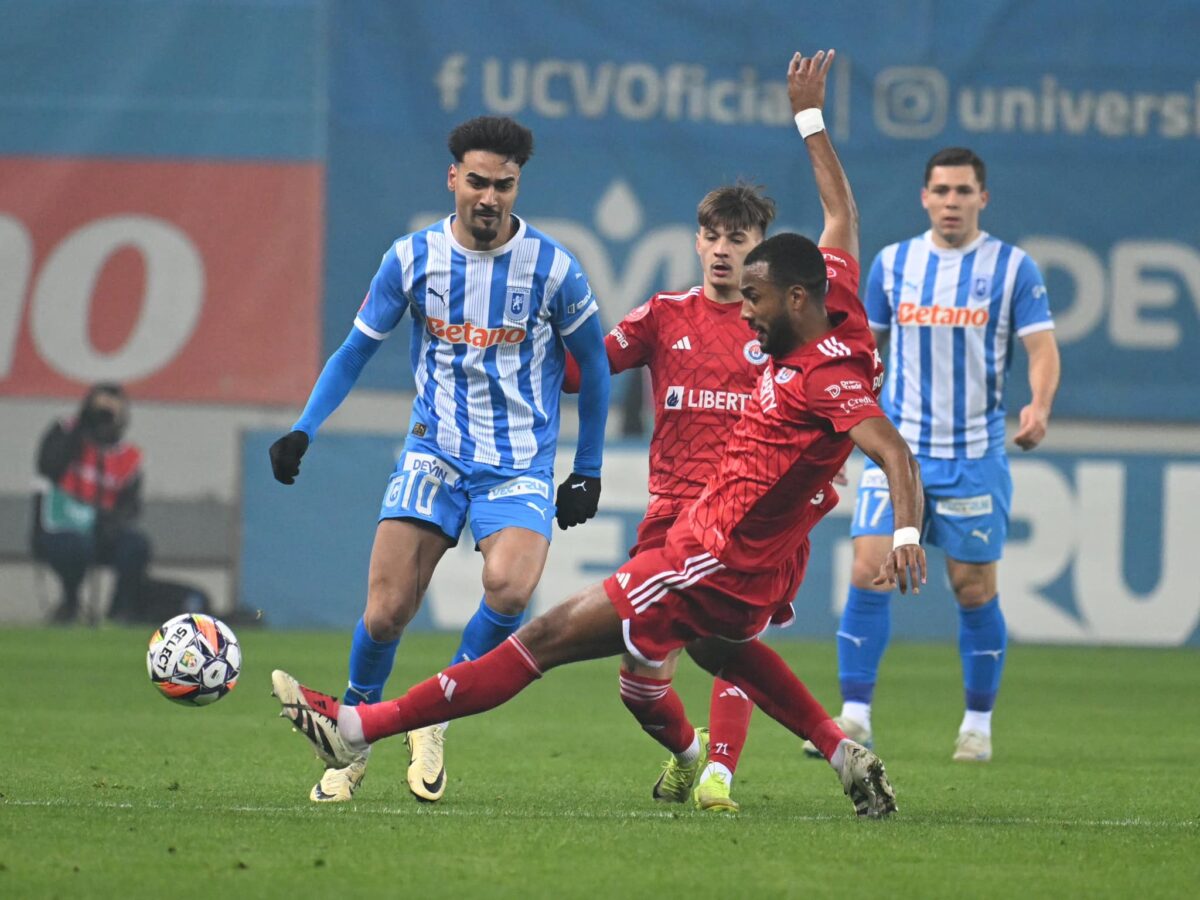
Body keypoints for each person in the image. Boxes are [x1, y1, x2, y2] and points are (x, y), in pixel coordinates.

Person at [271, 50, 925, 821]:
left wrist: (907, 529)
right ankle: (836, 752)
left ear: (793, 296)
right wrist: (811, 117)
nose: (743, 312)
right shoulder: (833, 295)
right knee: (713, 652)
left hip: (708, 550)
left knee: (541, 637)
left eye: (754, 298)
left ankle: (357, 728)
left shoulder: (823, 377)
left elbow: (889, 446)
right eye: (731, 275)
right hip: (742, 558)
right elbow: (842, 217)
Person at [268, 115, 611, 804]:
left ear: (519, 187)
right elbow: (355, 349)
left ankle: (434, 717)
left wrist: (589, 468)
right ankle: (353, 736)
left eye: (504, 185)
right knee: (387, 611)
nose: (489, 197)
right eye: (477, 181)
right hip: (435, 455)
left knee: (511, 589)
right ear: (452, 177)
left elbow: (596, 368)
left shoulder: (554, 268)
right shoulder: (410, 258)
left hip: (518, 463)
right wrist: (303, 427)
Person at [557, 50, 858, 814]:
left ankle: (722, 770)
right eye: (712, 235)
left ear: (758, 247)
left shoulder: (782, 327)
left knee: (733, 637)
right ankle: (690, 752)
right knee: (638, 675)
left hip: (748, 520)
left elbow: (840, 235)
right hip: (670, 518)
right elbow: (582, 370)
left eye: (739, 236)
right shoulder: (664, 316)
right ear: (697, 242)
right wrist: (526, 337)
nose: (723, 248)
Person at [805, 146, 1060, 764]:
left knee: (972, 590)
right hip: (900, 452)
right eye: (941, 191)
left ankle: (977, 724)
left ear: (982, 198)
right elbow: (863, 354)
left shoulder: (1012, 268)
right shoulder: (893, 266)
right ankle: (857, 717)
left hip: (973, 454)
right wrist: (843, 430)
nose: (951, 202)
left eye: (963, 191)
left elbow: (1042, 347)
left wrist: (1040, 405)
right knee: (868, 568)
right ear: (924, 197)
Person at [32, 382, 150, 624]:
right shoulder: (64, 431)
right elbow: (48, 466)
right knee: (77, 545)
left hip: (102, 527)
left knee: (136, 546)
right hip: (59, 526)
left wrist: (111, 523)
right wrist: (85, 425)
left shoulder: (127, 456)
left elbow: (131, 505)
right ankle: (71, 602)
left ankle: (120, 611)